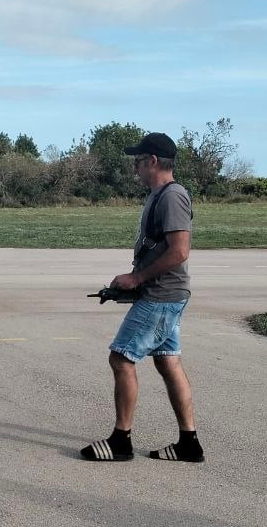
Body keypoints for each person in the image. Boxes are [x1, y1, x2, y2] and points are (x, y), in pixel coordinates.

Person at [81, 132, 204, 462]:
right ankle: (189, 444)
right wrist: (133, 282)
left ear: (153, 161)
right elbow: (160, 248)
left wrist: (137, 277)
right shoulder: (160, 195)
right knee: (167, 361)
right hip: (163, 294)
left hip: (162, 297)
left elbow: (179, 251)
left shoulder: (172, 196)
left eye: (137, 161)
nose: (134, 167)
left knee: (121, 358)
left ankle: (121, 441)